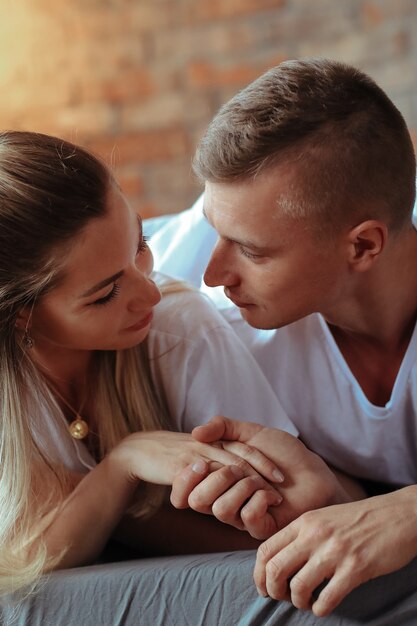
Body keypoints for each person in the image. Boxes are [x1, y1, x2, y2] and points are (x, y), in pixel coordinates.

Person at [0, 130, 362, 600]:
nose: (149, 292)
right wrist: (123, 466)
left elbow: (297, 521)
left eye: (140, 245)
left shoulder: (177, 328)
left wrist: (96, 505)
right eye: (106, 293)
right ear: (21, 314)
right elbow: (30, 560)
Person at [149, 58, 417, 618]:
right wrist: (329, 493)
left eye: (252, 250)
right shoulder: (220, 335)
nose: (214, 275)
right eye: (215, 235)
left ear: (364, 246)